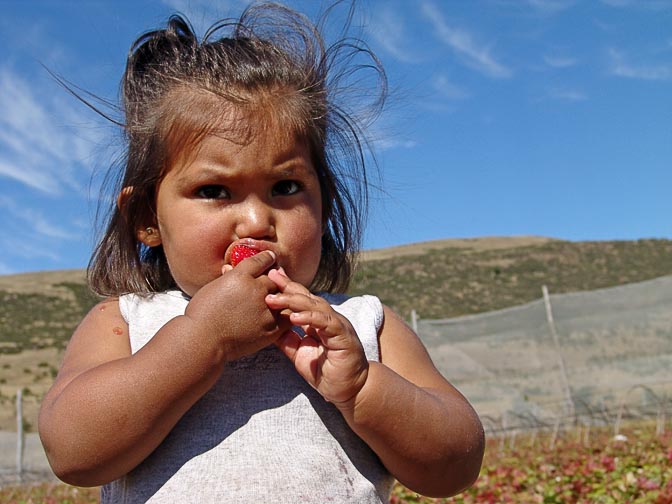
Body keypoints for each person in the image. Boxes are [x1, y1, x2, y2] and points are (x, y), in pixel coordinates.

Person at [38, 2, 484, 502]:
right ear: (146, 217)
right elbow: (73, 452)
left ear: (324, 206)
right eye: (213, 190)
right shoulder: (125, 323)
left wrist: (361, 387)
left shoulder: (363, 327)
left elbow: (455, 465)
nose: (255, 221)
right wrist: (202, 339)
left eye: (286, 186)